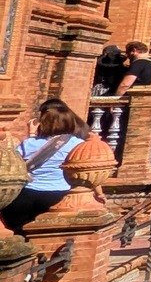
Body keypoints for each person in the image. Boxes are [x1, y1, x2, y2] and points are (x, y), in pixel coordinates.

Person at [3, 100, 90, 233]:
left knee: (17, 232)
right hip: (58, 194)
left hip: (25, 194)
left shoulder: (28, 143)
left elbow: (17, 164)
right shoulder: (77, 144)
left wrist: (31, 134)